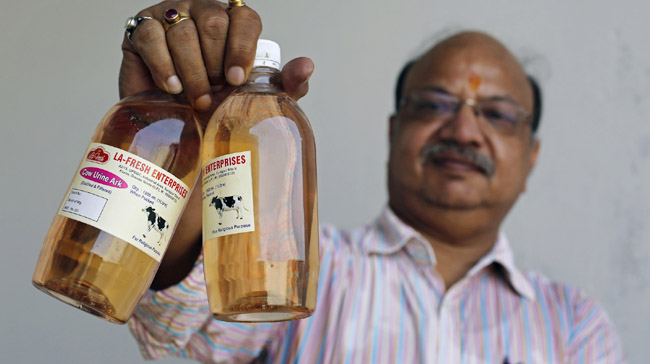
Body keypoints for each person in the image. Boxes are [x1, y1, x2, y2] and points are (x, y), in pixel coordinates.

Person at [122, 1, 626, 363]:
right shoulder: (299, 264)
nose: (464, 131)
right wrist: (185, 145)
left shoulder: (574, 325)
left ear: (532, 157)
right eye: (434, 105)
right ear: (393, 130)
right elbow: (173, 331)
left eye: (496, 114)